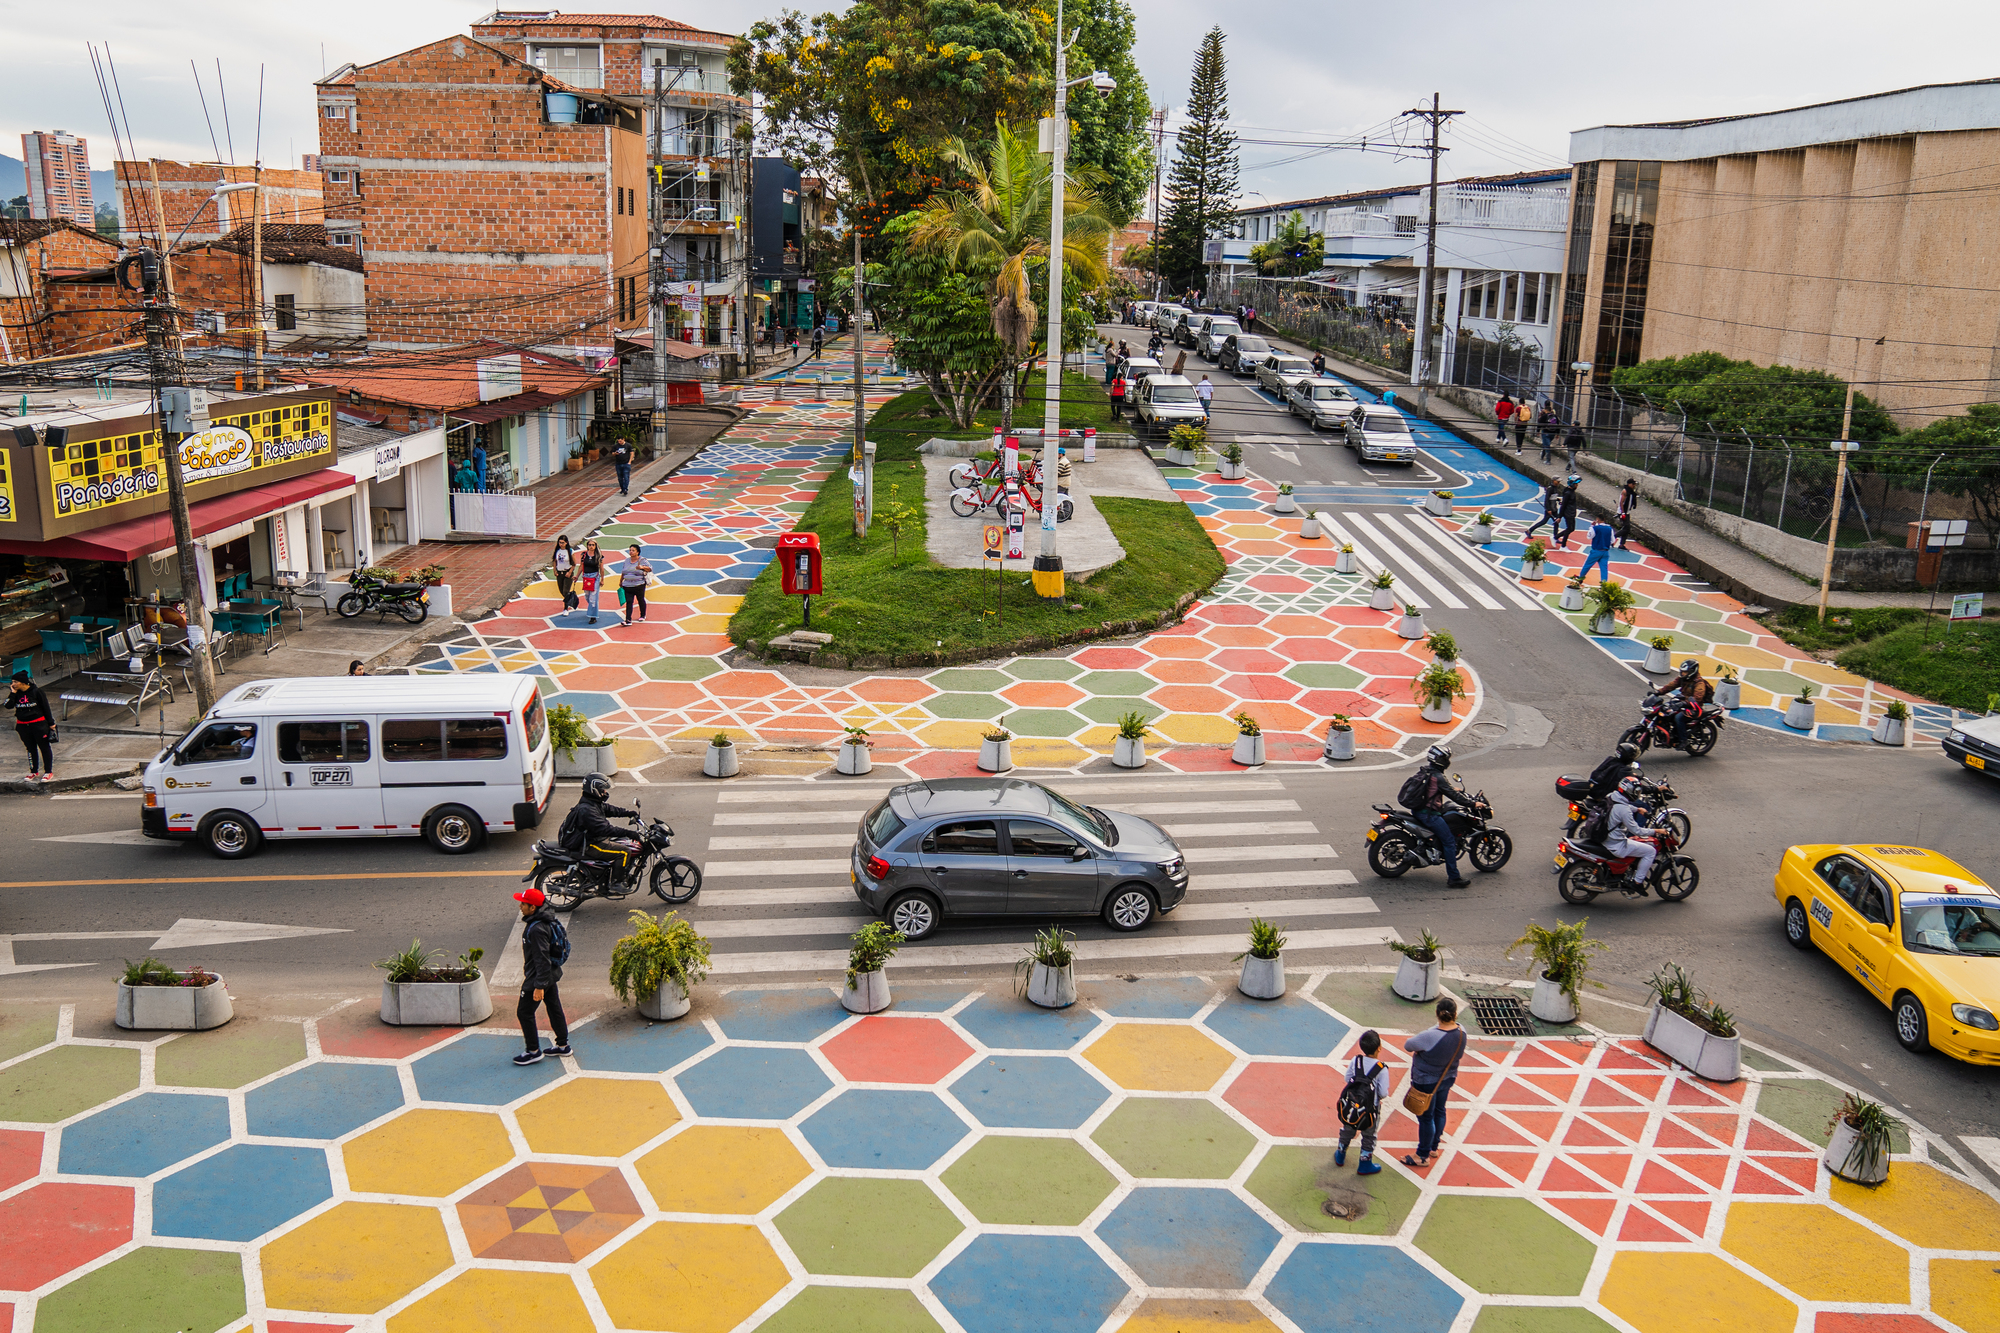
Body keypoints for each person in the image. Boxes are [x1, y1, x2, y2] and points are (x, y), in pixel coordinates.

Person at [1401, 997, 1467, 1168]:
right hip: (1447, 1078)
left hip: (1426, 1081)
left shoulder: (1430, 1035)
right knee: (1439, 1110)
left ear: (1437, 1014)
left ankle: (1422, 1155)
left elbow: (1408, 1045)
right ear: (1455, 1014)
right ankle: (1433, 1147)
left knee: (1426, 1117)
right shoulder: (1462, 1032)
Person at [511, 886, 571, 1066]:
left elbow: (541, 959)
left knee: (524, 1012)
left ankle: (533, 1051)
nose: (520, 906)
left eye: (524, 903)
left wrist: (538, 986)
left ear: (533, 908)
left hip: (539, 976)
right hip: (550, 974)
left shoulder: (536, 930)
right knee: (554, 1007)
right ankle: (563, 1045)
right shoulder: (545, 919)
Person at [1407, 743, 1476, 888]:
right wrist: (1472, 804)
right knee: (1449, 841)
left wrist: (1452, 789)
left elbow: (1442, 789)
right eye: (1446, 758)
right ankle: (1454, 878)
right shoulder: (1438, 776)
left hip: (1418, 810)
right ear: (1440, 759)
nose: (1448, 761)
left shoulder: (1426, 771)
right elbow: (1455, 797)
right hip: (1429, 815)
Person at [559, 772, 639, 883]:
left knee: (623, 842)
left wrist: (628, 813)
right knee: (625, 851)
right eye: (603, 790)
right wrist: (629, 833)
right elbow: (605, 829)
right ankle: (617, 883)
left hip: (596, 839)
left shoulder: (592, 803)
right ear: (595, 790)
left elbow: (608, 809)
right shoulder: (587, 810)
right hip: (591, 845)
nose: (605, 792)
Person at [1334, 1029, 1390, 1176]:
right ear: (1379, 1047)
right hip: (1371, 1110)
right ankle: (1365, 1163)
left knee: (1348, 1128)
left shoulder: (1356, 1060)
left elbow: (1348, 1079)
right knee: (1369, 1135)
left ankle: (1340, 1154)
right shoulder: (1382, 1069)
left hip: (1352, 1106)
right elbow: (1383, 1092)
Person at [1605, 776, 1662, 891]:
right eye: (1636, 791)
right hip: (1615, 844)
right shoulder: (1624, 811)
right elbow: (1637, 831)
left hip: (1604, 838)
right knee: (1650, 851)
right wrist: (1656, 831)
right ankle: (1637, 883)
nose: (1637, 794)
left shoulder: (1610, 797)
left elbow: (1621, 806)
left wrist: (1637, 809)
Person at [1650, 659, 1712, 748]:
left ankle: (1683, 740)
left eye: (1685, 672)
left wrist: (1684, 703)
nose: (1683, 674)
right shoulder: (1683, 679)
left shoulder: (1699, 683)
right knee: (1664, 709)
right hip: (1682, 702)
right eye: (1682, 672)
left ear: (1692, 671)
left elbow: (1697, 698)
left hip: (1694, 707)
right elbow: (1671, 685)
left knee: (1678, 718)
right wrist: (1658, 692)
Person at [11, 670, 54, 783]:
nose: (13, 684)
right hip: (23, 726)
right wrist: (12, 693)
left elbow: (46, 707)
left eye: (15, 681)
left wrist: (51, 723)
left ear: (23, 682)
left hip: (38, 724)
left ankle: (48, 771)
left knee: (44, 747)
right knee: (30, 749)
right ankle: (33, 770)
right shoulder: (16, 694)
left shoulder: (37, 692)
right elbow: (8, 705)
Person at [618, 543, 653, 626]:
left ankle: (642, 615)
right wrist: (621, 581)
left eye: (633, 550)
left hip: (639, 585)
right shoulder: (626, 561)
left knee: (640, 599)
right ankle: (628, 620)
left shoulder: (642, 560)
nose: (631, 552)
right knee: (629, 602)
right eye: (630, 550)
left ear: (637, 552)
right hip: (627, 585)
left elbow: (649, 568)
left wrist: (642, 567)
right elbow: (623, 572)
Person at [1578, 512, 1617, 584]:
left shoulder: (1595, 528)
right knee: (1604, 568)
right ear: (1604, 519)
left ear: (1597, 519)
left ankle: (1580, 578)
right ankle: (1604, 582)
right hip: (1605, 551)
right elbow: (1613, 540)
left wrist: (1591, 527)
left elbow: (1589, 537)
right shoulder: (1609, 528)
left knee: (1587, 565)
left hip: (1596, 551)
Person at [578, 538, 605, 624]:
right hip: (586, 578)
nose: (591, 546)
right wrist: (576, 576)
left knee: (593, 597)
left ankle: (593, 616)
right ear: (587, 546)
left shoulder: (599, 556)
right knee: (587, 596)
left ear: (595, 546)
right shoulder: (584, 555)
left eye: (593, 545)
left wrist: (602, 579)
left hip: (595, 577)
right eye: (589, 545)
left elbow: (601, 568)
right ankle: (592, 608)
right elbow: (580, 566)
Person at [1554, 477, 1581, 550]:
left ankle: (1556, 537)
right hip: (1568, 513)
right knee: (1569, 529)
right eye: (1576, 484)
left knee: (1571, 529)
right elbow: (1563, 505)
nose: (1577, 486)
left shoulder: (1570, 492)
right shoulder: (1567, 493)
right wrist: (1560, 517)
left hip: (1571, 513)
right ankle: (1563, 545)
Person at [551, 535, 576, 608]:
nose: (561, 544)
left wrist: (570, 572)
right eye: (560, 542)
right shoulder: (557, 550)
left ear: (566, 543)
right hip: (559, 573)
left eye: (562, 542)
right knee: (561, 591)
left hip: (567, 572)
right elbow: (555, 561)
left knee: (566, 591)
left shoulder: (570, 551)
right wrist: (554, 570)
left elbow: (574, 563)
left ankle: (565, 608)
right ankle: (570, 598)